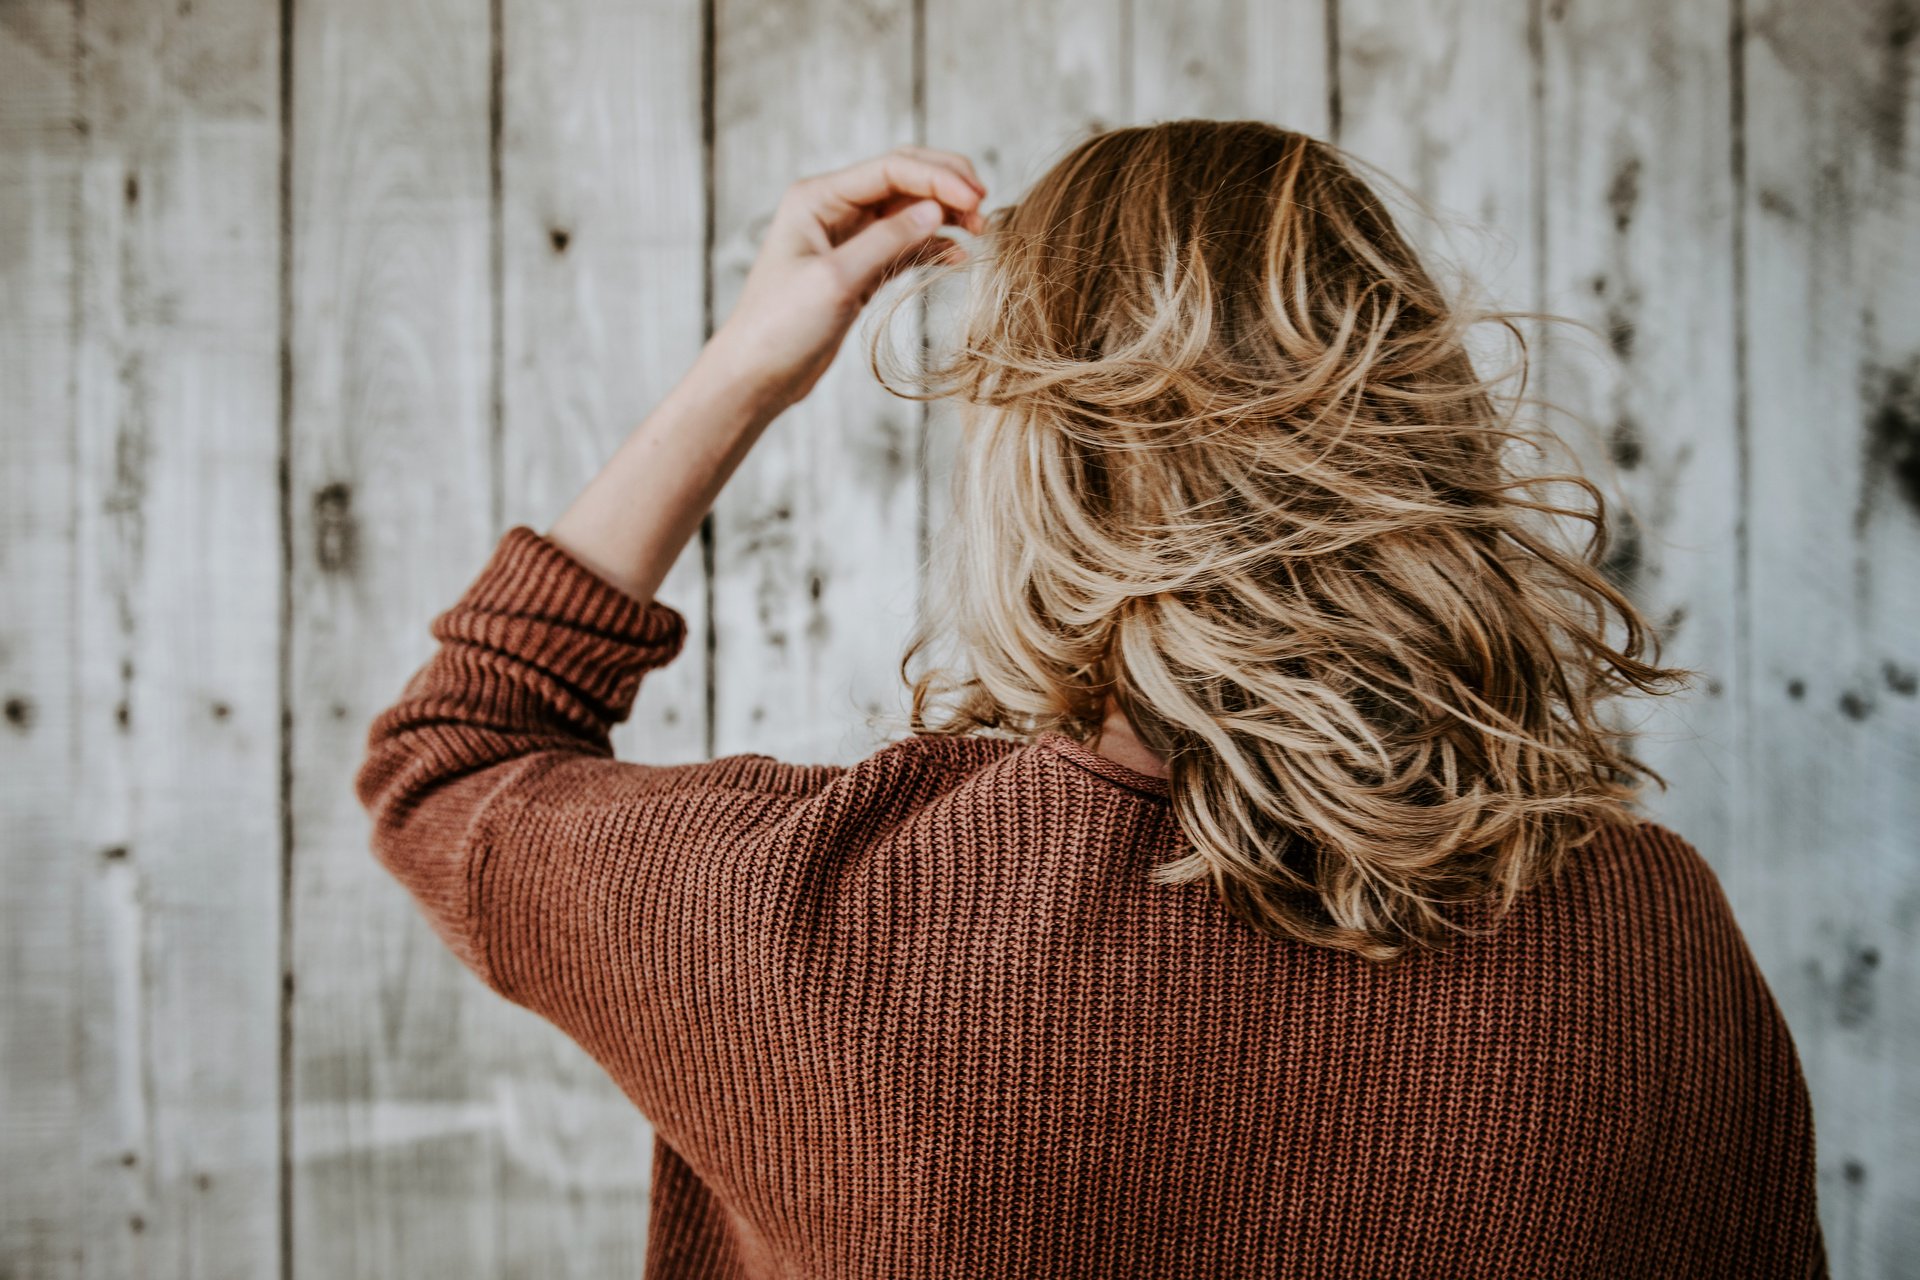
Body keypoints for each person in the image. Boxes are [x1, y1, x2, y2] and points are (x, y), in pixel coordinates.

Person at [356, 121, 1826, 1277]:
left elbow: (455, 754)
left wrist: (749, 365)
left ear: (1042, 474)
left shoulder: (813, 914)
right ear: (1422, 440)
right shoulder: (1650, 938)